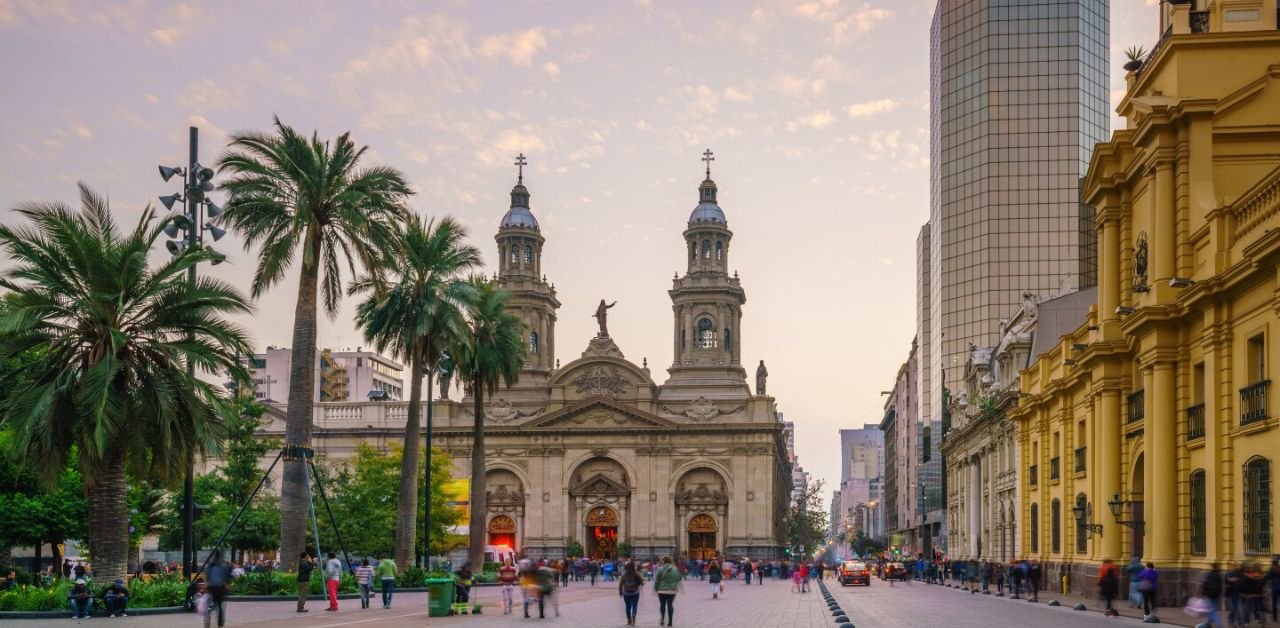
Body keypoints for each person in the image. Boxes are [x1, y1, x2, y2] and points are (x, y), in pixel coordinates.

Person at [206, 551, 233, 628]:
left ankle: (208, 617)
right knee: (220, 605)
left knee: (210, 604)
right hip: (220, 588)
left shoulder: (210, 565)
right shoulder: (223, 565)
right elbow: (227, 577)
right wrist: (227, 584)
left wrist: (207, 584)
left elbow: (207, 576)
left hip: (211, 587)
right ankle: (220, 622)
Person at [654, 555, 682, 627]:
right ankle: (670, 622)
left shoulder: (660, 569)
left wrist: (656, 588)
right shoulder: (675, 569)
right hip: (672, 590)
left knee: (662, 605)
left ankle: (662, 620)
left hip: (662, 590)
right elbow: (678, 578)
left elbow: (657, 580)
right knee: (670, 605)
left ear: (663, 561)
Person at [619, 560, 643, 626]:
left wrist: (620, 592)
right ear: (633, 567)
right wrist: (638, 584)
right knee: (634, 606)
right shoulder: (636, 574)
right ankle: (634, 620)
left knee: (627, 606)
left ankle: (629, 620)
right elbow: (642, 582)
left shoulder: (624, 574)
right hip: (635, 592)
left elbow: (620, 584)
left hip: (626, 593)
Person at [1200, 562, 1223, 628]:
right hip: (1216, 595)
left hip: (1210, 595)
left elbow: (1206, 584)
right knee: (1212, 610)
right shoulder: (1218, 574)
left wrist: (1204, 593)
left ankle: (1219, 626)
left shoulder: (1210, 574)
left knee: (1212, 611)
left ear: (1213, 567)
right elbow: (1220, 586)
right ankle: (1208, 624)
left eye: (1210, 566)